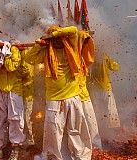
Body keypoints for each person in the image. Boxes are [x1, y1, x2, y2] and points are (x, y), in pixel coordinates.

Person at [25, 25, 92, 160]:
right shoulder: (45, 52)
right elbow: (28, 59)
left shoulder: (72, 47)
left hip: (73, 97)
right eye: (53, 39)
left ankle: (81, 158)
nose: (56, 41)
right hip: (54, 100)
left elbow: (73, 30)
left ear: (63, 37)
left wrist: (56, 34)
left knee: (76, 131)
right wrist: (39, 45)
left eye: (59, 38)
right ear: (49, 41)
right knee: (54, 134)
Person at [78, 31, 103, 150]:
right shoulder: (69, 53)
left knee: (90, 122)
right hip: (71, 98)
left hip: (83, 96)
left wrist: (86, 38)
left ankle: (96, 148)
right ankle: (82, 149)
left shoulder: (84, 57)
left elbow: (89, 52)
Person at [88, 53, 120, 139]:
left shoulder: (88, 55)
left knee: (97, 109)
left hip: (93, 88)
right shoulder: (105, 56)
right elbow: (115, 67)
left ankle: (100, 130)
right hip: (105, 87)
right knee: (110, 110)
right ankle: (112, 132)